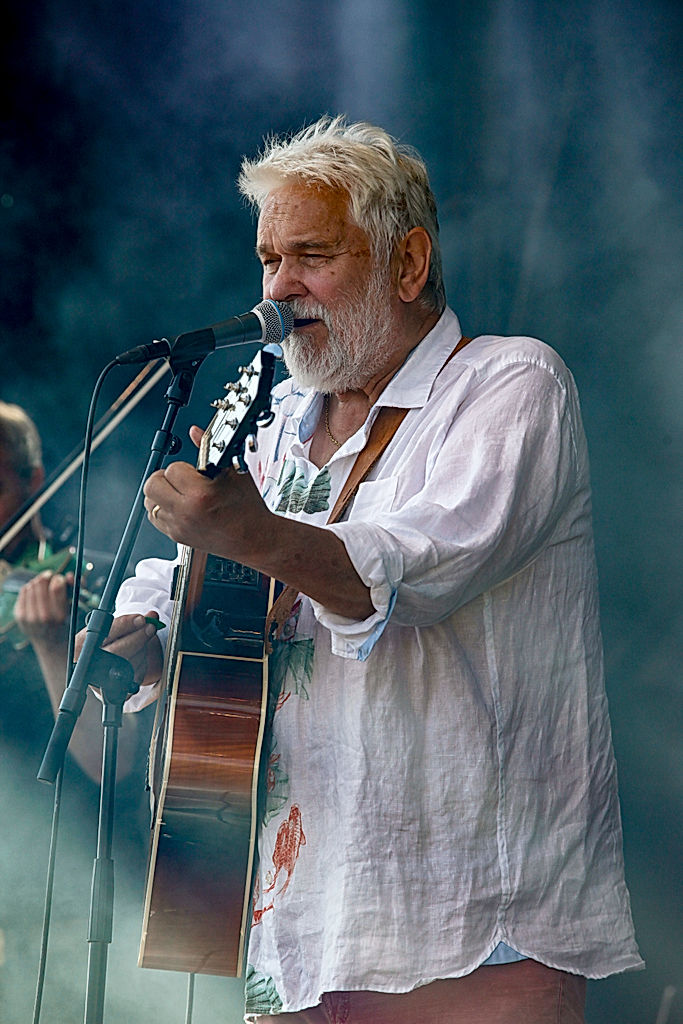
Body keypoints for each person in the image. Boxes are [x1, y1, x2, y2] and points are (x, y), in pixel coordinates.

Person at [88, 117, 642, 1023]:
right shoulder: (266, 416)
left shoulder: (509, 385)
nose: (278, 289)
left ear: (408, 264)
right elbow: (200, 585)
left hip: (468, 924)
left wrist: (253, 534)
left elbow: (419, 568)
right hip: (293, 926)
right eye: (268, 260)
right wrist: (144, 638)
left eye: (311, 256)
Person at [0, 400, 138, 782]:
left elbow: (114, 764)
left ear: (34, 480)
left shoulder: (104, 582)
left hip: (57, 823)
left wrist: (52, 644)